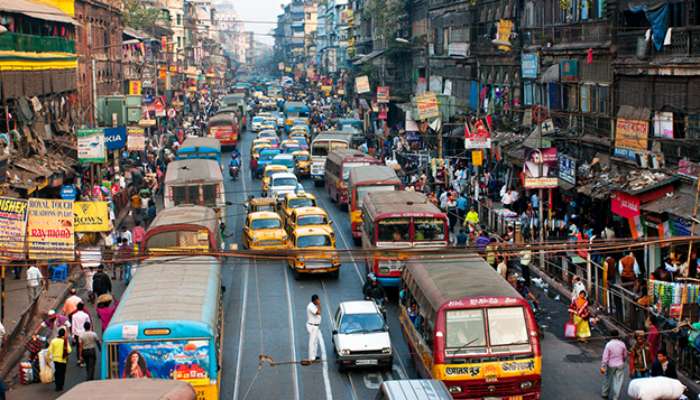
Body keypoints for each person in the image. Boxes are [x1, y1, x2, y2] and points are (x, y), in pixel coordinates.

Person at [600, 329, 627, 400]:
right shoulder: (622, 344)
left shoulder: (609, 344)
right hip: (620, 364)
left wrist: (603, 365)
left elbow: (605, 357)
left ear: (610, 336)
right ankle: (616, 397)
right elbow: (625, 355)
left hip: (610, 365)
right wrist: (623, 360)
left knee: (608, 379)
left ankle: (605, 393)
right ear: (618, 336)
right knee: (618, 381)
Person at [48, 327, 71, 391]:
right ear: (64, 334)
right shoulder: (65, 341)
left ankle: (57, 386)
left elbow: (50, 351)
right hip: (63, 360)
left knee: (57, 373)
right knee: (62, 373)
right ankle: (61, 385)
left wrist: (48, 358)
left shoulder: (53, 341)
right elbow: (69, 350)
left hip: (55, 360)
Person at [306, 294, 322, 362]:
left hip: (315, 326)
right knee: (312, 342)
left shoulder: (314, 305)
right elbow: (318, 312)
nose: (319, 301)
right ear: (314, 301)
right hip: (312, 326)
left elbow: (320, 311)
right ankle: (311, 357)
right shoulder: (310, 307)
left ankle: (314, 356)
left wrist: (318, 305)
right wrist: (318, 305)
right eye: (318, 300)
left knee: (315, 341)